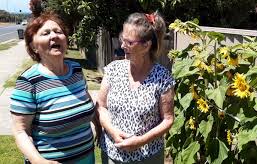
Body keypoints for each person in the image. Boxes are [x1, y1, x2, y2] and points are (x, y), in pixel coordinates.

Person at [10, 11, 96, 164]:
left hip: (87, 157)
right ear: (33, 46)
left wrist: (98, 123)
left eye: (58, 32)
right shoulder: (28, 81)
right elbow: (20, 130)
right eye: (45, 33)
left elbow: (86, 98)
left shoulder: (76, 69)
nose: (54, 36)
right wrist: (38, 161)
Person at [96, 12, 175, 163]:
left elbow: (168, 119)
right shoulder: (113, 70)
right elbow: (101, 107)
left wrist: (141, 141)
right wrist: (112, 132)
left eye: (129, 42)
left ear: (146, 45)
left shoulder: (163, 78)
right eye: (122, 40)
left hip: (147, 157)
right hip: (112, 154)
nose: (122, 45)